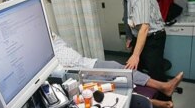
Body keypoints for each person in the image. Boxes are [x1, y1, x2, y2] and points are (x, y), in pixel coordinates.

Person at [52, 33, 183, 108]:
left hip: (88, 63)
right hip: (76, 73)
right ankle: (153, 102)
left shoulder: (51, 35)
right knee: (114, 87)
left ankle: (164, 86)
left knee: (121, 69)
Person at [107, 0, 167, 82]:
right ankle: (142, 97)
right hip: (139, 36)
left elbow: (144, 27)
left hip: (153, 37)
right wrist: (129, 36)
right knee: (135, 69)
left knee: (155, 72)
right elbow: (128, 18)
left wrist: (135, 55)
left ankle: (166, 99)